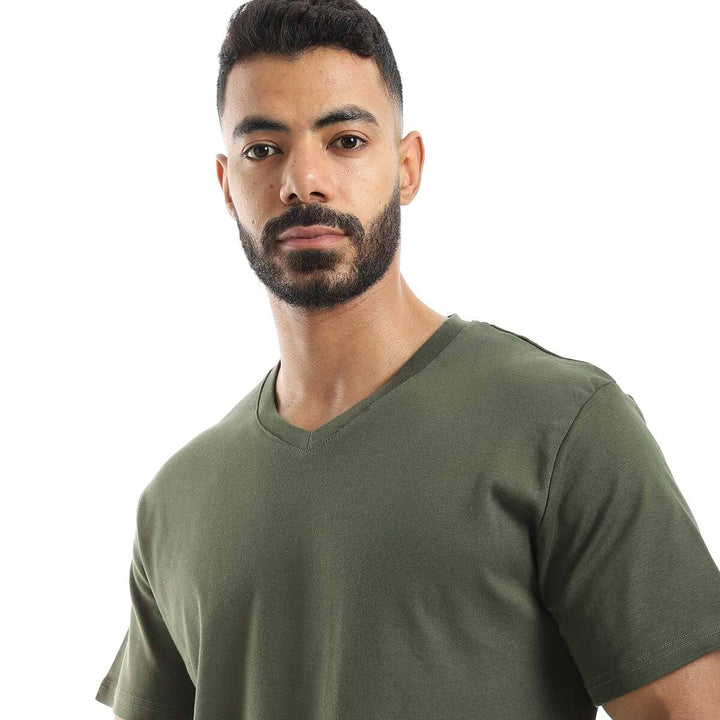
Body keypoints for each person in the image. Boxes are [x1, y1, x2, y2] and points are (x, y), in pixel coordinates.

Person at [94, 1, 720, 718]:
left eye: (346, 141)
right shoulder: (174, 503)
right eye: (263, 150)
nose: (303, 181)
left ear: (408, 167)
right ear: (225, 185)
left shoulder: (563, 430)